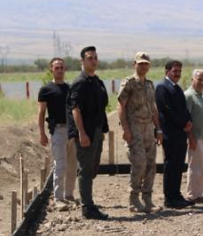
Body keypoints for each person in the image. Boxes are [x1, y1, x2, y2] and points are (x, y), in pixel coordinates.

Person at [67, 46, 110, 220]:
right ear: (82, 61)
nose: (93, 61)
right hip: (86, 133)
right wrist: (82, 133)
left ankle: (88, 201)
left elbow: (101, 107)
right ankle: (87, 207)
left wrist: (102, 130)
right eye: (90, 58)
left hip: (97, 130)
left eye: (95, 57)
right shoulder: (80, 82)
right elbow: (75, 109)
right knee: (85, 170)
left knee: (93, 168)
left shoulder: (97, 82)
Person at [117, 52, 162, 214]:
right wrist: (125, 129)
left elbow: (153, 109)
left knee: (151, 164)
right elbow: (121, 106)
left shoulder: (149, 85)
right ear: (134, 64)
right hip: (134, 128)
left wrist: (158, 129)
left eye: (146, 64)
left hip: (148, 128)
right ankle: (134, 198)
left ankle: (147, 198)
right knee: (139, 164)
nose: (143, 66)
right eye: (140, 63)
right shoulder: (129, 83)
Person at [36, 56, 77, 208]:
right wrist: (42, 133)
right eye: (56, 67)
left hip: (72, 130)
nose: (59, 70)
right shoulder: (46, 90)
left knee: (73, 165)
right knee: (60, 164)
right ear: (51, 70)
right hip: (57, 130)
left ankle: (69, 194)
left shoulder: (70, 88)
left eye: (61, 67)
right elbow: (41, 113)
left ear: (65, 69)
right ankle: (58, 198)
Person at [155, 59, 193, 208]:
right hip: (170, 133)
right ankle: (170, 198)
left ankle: (177, 194)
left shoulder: (177, 88)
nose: (177, 74)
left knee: (178, 165)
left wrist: (189, 121)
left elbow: (184, 108)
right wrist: (183, 124)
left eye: (179, 71)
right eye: (175, 71)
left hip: (181, 133)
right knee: (171, 165)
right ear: (167, 71)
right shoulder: (162, 88)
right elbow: (166, 111)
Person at [185, 70, 203, 201]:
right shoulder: (189, 95)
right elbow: (187, 118)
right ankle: (192, 194)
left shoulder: (201, 96)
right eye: (199, 80)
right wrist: (191, 137)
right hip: (195, 137)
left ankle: (199, 193)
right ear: (192, 80)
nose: (202, 82)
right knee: (195, 167)